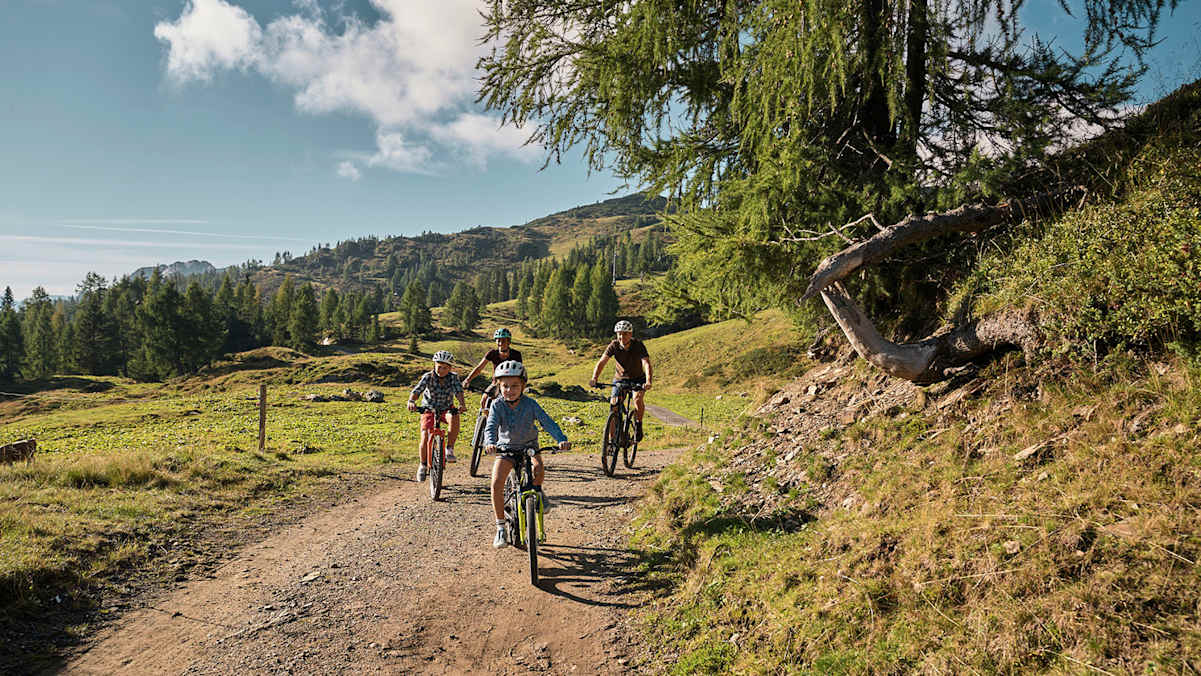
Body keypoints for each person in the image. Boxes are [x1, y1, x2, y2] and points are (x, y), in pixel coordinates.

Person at [483, 360, 570, 549]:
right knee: (497, 482)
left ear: (523, 385)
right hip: (506, 449)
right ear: (499, 386)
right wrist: (490, 443)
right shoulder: (497, 405)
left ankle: (537, 491)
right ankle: (500, 528)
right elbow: (490, 427)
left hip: (529, 446)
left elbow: (547, 422)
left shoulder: (531, 404)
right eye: (505, 386)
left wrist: (560, 439)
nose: (510, 390)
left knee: (538, 468)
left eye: (515, 386)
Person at [588, 319, 652, 441]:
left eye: (625, 333)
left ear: (631, 334)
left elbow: (646, 363)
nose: (622, 336)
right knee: (614, 405)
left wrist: (648, 381)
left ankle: (638, 424)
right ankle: (612, 439)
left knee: (637, 399)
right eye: (619, 334)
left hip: (638, 378)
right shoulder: (614, 345)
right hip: (620, 379)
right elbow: (602, 362)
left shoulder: (638, 345)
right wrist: (594, 378)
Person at [406, 350, 467, 480]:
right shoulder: (427, 377)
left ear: (450, 368)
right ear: (434, 365)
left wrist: (462, 404)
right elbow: (417, 390)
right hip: (429, 409)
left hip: (446, 408)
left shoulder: (453, 377)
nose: (441, 370)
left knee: (454, 416)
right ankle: (422, 465)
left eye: (445, 368)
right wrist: (411, 401)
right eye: (439, 367)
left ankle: (449, 449)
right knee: (425, 436)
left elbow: (458, 391)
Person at [462, 327, 523, 410]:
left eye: (503, 340)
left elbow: (520, 372)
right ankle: (487, 421)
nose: (500, 343)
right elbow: (479, 368)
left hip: (510, 384)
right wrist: (468, 380)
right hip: (496, 383)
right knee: (484, 402)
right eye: (498, 340)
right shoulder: (492, 353)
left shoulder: (516, 355)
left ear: (509, 342)